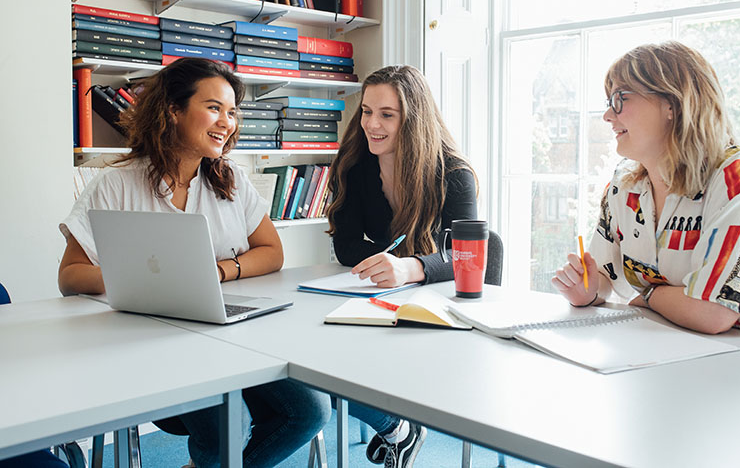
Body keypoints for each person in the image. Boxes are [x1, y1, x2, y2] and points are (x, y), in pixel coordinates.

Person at [57, 58, 330, 467]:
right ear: (173, 111)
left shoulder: (231, 181)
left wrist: (219, 270)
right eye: (215, 108)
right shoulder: (116, 184)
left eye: (233, 111)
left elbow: (272, 252)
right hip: (149, 348)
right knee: (227, 424)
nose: (228, 122)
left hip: (228, 336)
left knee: (310, 411)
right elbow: (70, 276)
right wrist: (145, 279)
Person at [552, 41, 740, 335]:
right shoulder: (624, 184)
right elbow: (606, 276)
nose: (607, 115)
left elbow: (715, 313)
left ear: (672, 104)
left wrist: (648, 294)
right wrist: (589, 291)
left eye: (620, 99)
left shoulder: (739, 178)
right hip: (678, 344)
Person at [326, 65, 478, 467]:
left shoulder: (454, 174)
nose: (371, 124)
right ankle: (398, 428)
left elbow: (467, 255)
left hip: (441, 305)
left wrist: (410, 267)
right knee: (317, 361)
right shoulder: (355, 166)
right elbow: (345, 245)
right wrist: (385, 265)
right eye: (366, 111)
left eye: (387, 115)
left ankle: (399, 426)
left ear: (414, 119)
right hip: (380, 298)